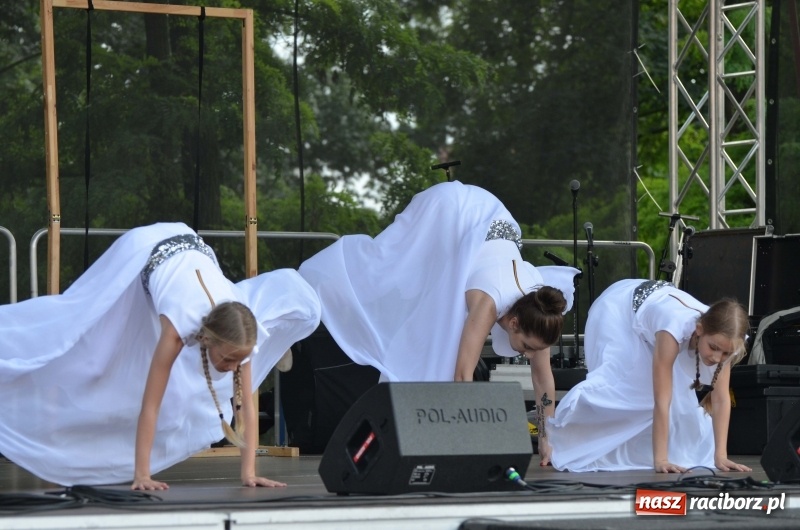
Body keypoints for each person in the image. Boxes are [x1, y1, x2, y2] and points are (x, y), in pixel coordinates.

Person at [0, 222, 321, 489]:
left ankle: (279, 342)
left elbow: (247, 408)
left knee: (304, 312)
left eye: (238, 361)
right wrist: (142, 474)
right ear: (206, 340)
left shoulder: (240, 335)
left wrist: (248, 473)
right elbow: (150, 404)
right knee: (93, 346)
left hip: (195, 251)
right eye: (226, 360)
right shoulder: (176, 330)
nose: (232, 368)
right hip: (146, 251)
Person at [298, 180, 580, 464]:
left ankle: (408, 430)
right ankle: (316, 284)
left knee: (435, 338)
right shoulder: (489, 300)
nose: (530, 354)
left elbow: (543, 378)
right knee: (388, 271)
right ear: (515, 322)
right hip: (449, 212)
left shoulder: (539, 315)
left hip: (490, 215)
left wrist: (547, 438)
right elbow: (462, 375)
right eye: (527, 347)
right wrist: (468, 438)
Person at [547, 278, 752, 473]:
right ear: (699, 330)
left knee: (679, 405)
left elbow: (721, 399)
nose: (718, 358)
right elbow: (662, 400)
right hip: (621, 311)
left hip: (657, 310)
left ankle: (641, 449)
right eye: (714, 348)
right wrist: (661, 460)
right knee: (628, 389)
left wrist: (720, 456)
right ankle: (565, 440)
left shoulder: (728, 339)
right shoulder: (673, 328)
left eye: (725, 353)